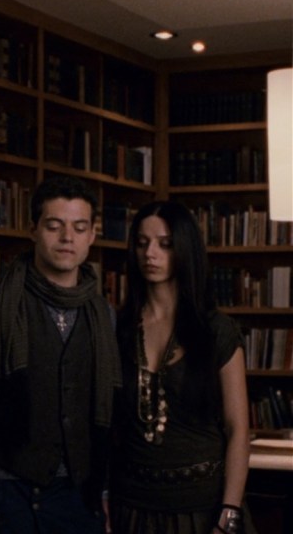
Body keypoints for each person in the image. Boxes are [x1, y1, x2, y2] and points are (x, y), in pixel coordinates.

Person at [0, 175, 119, 534]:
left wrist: (103, 491)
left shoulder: (104, 314)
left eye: (79, 228)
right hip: (7, 492)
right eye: (54, 226)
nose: (67, 237)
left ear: (91, 236)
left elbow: (106, 411)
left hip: (80, 494)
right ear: (33, 230)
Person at [109, 201, 249, 534]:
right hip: (131, 505)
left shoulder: (217, 330)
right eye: (142, 243)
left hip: (200, 508)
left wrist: (229, 515)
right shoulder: (117, 327)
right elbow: (107, 426)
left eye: (165, 244)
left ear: (184, 249)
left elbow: (238, 429)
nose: (150, 253)